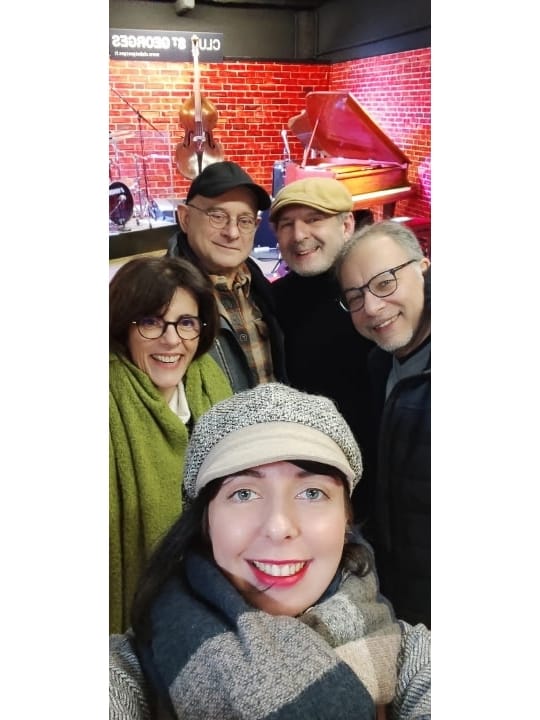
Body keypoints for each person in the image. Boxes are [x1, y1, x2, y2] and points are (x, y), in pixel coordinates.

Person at [110, 383, 431, 720]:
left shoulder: (411, 657)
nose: (279, 527)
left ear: (346, 519)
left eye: (312, 493)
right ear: (205, 522)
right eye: (244, 494)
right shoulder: (128, 671)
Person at [109, 255, 233, 634]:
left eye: (186, 323)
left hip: (207, 598)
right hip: (145, 614)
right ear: (122, 327)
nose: (172, 339)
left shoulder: (209, 379)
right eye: (151, 322)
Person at [335, 220, 430, 628]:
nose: (371, 307)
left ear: (423, 268)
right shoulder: (381, 363)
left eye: (385, 282)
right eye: (355, 297)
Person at [269, 178, 377, 526]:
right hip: (310, 478)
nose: (299, 235)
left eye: (314, 219)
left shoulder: (380, 290)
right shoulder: (272, 300)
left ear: (346, 225)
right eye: (286, 224)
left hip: (385, 480)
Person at [167, 160, 287, 391]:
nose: (232, 233)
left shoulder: (260, 287)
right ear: (185, 218)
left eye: (245, 221)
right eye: (217, 216)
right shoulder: (159, 295)